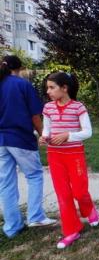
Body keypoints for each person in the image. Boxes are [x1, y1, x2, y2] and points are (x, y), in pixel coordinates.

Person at [39, 72, 99, 249]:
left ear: (64, 88)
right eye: (47, 88)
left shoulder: (78, 107)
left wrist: (68, 135)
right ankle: (71, 230)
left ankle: (89, 209)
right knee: (63, 195)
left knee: (79, 192)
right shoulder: (48, 108)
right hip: (55, 156)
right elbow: (46, 130)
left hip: (74, 155)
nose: (48, 91)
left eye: (52, 87)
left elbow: (88, 132)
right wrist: (43, 137)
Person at [0, 55, 56, 239]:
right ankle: (36, 216)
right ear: (20, 67)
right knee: (34, 175)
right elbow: (35, 116)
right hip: (20, 138)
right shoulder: (21, 84)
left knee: (6, 183)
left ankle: (12, 227)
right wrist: (43, 135)